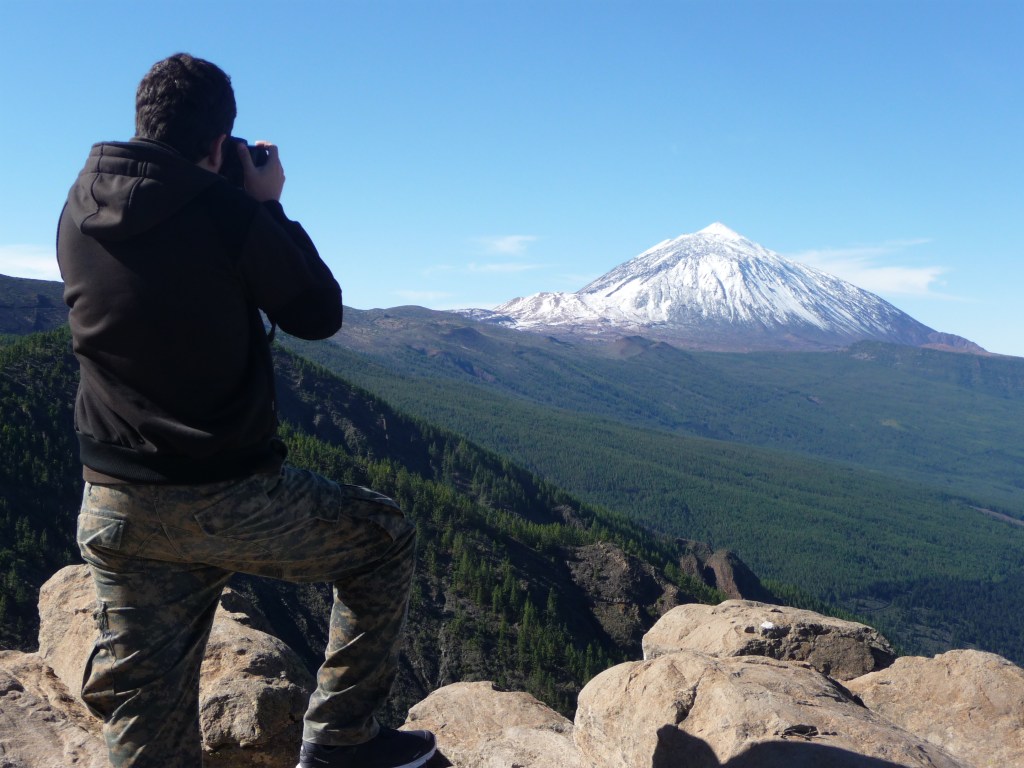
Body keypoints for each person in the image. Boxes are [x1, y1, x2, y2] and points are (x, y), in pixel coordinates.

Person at [56, 53, 436, 768]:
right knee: (385, 539)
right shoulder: (227, 213)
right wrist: (264, 201)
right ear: (215, 144)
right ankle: (343, 740)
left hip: (115, 504)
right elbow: (317, 313)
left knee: (147, 722)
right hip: (230, 494)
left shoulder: (77, 208)